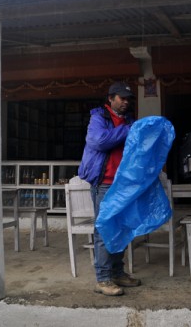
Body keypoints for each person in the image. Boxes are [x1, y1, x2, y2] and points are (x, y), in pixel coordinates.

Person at [77, 81, 141, 296]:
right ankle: (103, 279)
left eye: (128, 99)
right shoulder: (99, 118)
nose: (125, 102)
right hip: (104, 183)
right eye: (121, 98)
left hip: (123, 184)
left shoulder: (128, 121)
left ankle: (117, 273)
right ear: (111, 98)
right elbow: (100, 141)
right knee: (105, 230)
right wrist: (127, 130)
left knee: (121, 229)